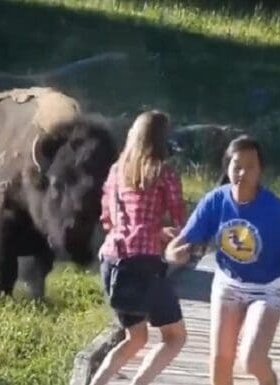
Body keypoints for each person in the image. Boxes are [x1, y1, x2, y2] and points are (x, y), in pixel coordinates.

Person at [165, 135, 280, 385]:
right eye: (237, 165)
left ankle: (268, 379)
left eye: (251, 166)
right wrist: (174, 254)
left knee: (252, 360)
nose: (243, 172)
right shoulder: (215, 201)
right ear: (228, 167)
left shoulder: (274, 209)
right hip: (228, 283)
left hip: (268, 288)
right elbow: (177, 243)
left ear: (261, 171)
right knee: (220, 358)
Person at [90, 110, 187, 385]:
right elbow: (181, 221)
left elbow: (108, 219)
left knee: (137, 338)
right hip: (144, 266)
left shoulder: (115, 171)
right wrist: (165, 235)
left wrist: (149, 231)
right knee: (175, 337)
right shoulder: (164, 173)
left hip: (112, 262)